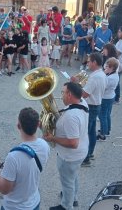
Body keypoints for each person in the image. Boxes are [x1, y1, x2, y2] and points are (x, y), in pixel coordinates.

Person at [0, 107, 50, 210]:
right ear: (38, 125)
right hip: (34, 202)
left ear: (18, 126)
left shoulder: (14, 157)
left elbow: (4, 190)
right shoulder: (45, 145)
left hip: (14, 207)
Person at [43, 82, 88, 210]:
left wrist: (52, 138)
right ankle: (73, 197)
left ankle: (66, 206)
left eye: (63, 92)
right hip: (81, 151)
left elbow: (73, 143)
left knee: (67, 182)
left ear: (69, 94)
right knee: (73, 177)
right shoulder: (82, 103)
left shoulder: (71, 117)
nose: (61, 95)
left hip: (69, 156)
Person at [72, 52, 106, 166]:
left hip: (91, 106)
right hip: (97, 105)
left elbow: (84, 94)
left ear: (94, 62)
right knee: (91, 132)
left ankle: (85, 158)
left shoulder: (95, 76)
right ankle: (90, 153)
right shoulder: (102, 74)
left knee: (85, 133)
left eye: (89, 61)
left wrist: (77, 84)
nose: (88, 63)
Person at [97, 57, 119, 140]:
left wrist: (103, 73)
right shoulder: (114, 74)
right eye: (106, 66)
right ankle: (107, 130)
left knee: (102, 116)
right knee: (107, 114)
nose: (105, 67)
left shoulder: (110, 78)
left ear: (112, 68)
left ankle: (103, 134)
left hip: (105, 98)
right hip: (110, 96)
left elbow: (102, 85)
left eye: (108, 67)